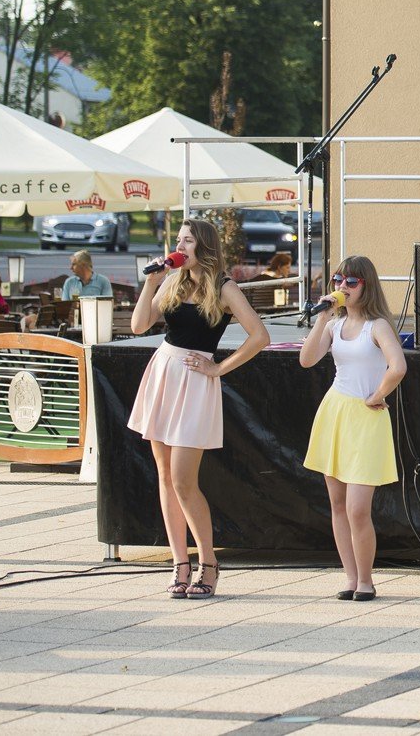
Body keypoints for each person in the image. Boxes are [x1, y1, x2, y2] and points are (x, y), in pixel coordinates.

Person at [128, 220, 270, 600]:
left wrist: (219, 368)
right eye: (178, 240)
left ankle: (208, 562)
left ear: (203, 246)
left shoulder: (224, 287)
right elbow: (139, 325)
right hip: (164, 373)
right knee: (164, 476)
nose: (180, 246)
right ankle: (180, 563)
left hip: (194, 381)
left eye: (187, 240)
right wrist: (152, 282)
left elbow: (260, 336)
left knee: (183, 480)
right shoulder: (172, 282)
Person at [298, 255, 406, 601]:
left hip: (366, 416)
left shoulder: (378, 326)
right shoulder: (334, 326)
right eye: (338, 280)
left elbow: (398, 366)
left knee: (358, 508)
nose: (342, 287)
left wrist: (378, 395)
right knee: (338, 504)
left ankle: (366, 579)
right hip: (336, 411)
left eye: (351, 282)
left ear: (366, 285)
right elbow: (306, 359)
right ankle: (350, 577)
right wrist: (323, 317)